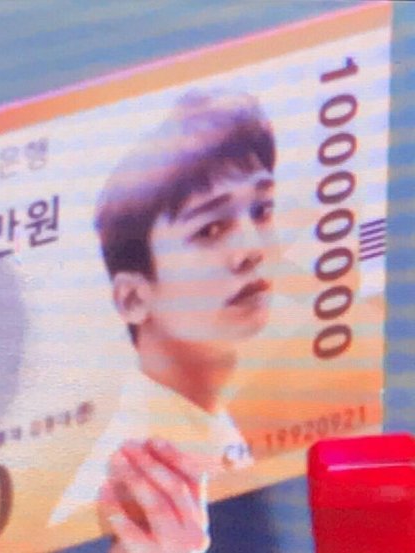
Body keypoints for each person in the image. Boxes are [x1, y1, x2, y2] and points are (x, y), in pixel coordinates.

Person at [50, 88, 277, 552]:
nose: (252, 248)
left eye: (261, 210)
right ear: (133, 297)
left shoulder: (228, 433)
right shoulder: (95, 496)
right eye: (210, 228)